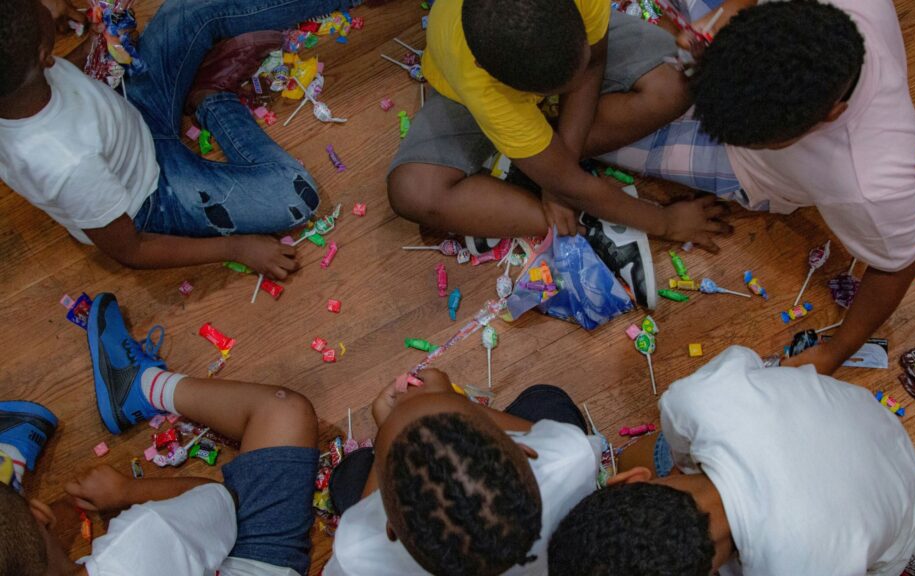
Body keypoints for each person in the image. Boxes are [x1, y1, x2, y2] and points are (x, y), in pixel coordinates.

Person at [603, 0, 915, 373]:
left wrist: (835, 352)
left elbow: (898, 265)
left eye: (763, 139)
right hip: (741, 50)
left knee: (593, 135)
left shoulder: (871, 183)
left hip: (748, 172)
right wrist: (725, 16)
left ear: (829, 115)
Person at [387, 0, 734, 308]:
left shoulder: (582, 19)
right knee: (413, 192)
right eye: (548, 93)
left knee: (678, 84)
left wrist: (555, 180)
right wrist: (666, 223)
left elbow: (594, 63)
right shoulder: (483, 85)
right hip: (469, 94)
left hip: (557, 55)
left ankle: (530, 166)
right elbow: (572, 184)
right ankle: (588, 220)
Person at [0, 0, 341, 280]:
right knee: (294, 195)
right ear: (45, 54)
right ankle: (211, 98)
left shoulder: (17, 83)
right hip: (155, 196)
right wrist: (237, 248)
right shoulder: (68, 166)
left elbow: (59, 74)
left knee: (183, 13)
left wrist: (100, 49)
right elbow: (133, 249)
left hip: (130, 116)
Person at [0, 291, 321, 574]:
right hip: (247, 561)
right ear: (41, 514)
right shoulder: (144, 541)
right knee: (283, 411)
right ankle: (142, 387)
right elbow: (216, 499)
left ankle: (6, 469)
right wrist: (125, 492)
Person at [548, 346, 915, 576]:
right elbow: (749, 362)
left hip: (901, 520)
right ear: (627, 480)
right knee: (662, 448)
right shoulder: (692, 400)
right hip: (868, 423)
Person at [322, 371, 602, 575]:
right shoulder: (569, 458)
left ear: (389, 525)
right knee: (548, 400)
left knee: (348, 476)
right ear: (524, 448)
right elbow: (533, 430)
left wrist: (386, 427)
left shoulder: (356, 553)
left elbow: (362, 512)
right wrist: (452, 400)